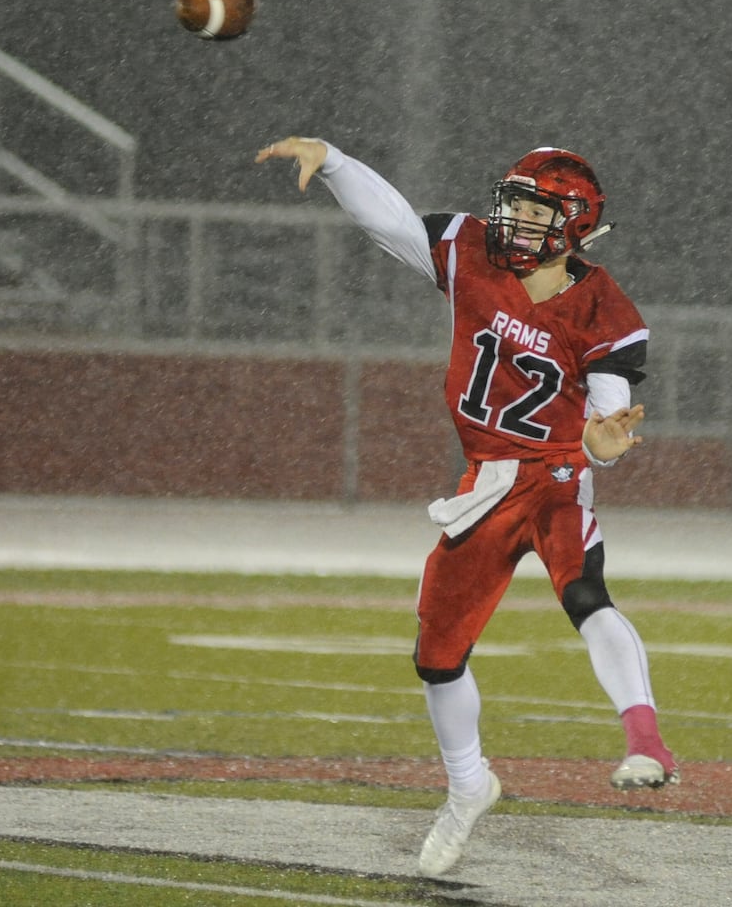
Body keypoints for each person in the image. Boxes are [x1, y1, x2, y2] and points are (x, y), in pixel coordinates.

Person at [256, 137, 677, 878]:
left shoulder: (604, 308)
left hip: (554, 475)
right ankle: (466, 785)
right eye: (510, 201)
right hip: (483, 481)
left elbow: (607, 416)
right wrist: (335, 162)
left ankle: (643, 739)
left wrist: (603, 443)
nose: (509, 218)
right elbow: (392, 224)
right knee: (435, 655)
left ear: (571, 222)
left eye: (529, 207)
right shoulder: (473, 253)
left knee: (584, 592)